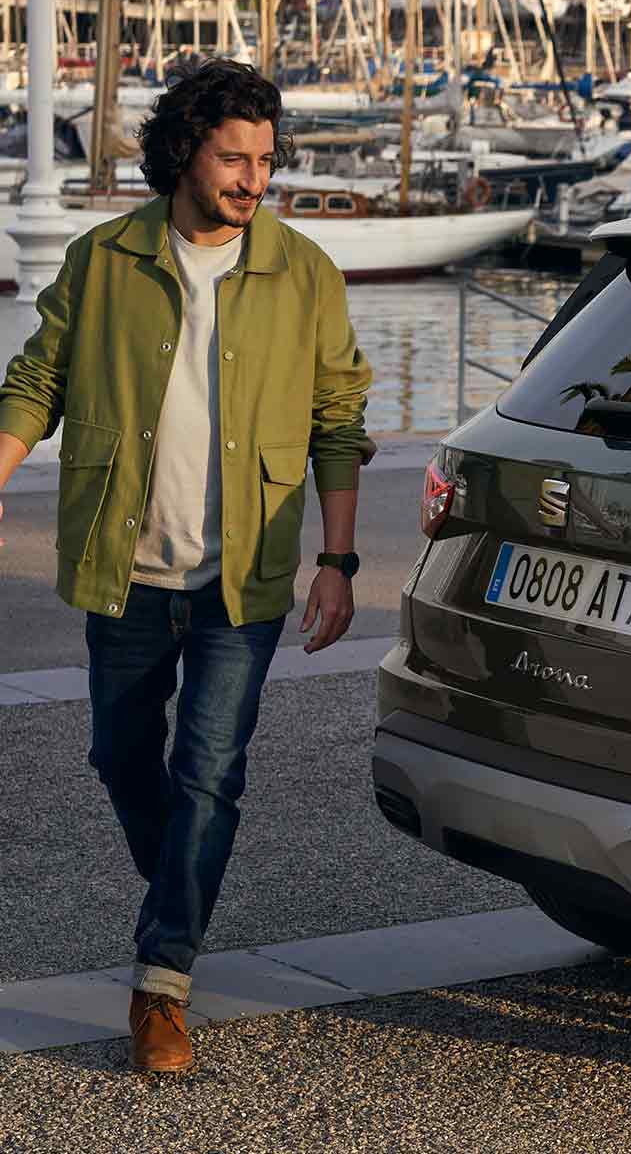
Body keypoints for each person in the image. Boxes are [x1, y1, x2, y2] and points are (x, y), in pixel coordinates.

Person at [0, 59, 373, 1073]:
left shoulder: (301, 272)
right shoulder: (105, 259)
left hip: (240, 582)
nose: (254, 178)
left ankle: (162, 981)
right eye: (232, 157)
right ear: (183, 152)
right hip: (126, 568)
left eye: (265, 159)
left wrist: (337, 560)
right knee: (120, 758)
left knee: (211, 774)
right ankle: (183, 883)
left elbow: (339, 424)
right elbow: (37, 380)